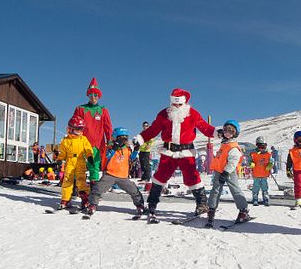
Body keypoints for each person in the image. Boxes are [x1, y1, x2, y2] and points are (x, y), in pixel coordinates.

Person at [135, 88, 217, 221]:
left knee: (192, 177)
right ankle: (152, 203)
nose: (177, 106)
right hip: (169, 151)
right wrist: (140, 139)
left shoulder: (193, 114)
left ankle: (202, 203)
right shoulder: (164, 114)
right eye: (174, 103)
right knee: (160, 176)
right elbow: (153, 130)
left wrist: (217, 132)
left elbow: (204, 127)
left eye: (179, 104)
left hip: (186, 152)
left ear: (184, 102)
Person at [89, 127, 145, 218]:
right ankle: (92, 204)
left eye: (125, 138)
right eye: (121, 138)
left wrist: (136, 149)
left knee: (134, 190)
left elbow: (132, 158)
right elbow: (107, 156)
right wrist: (114, 148)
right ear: (115, 138)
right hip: (109, 175)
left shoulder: (127, 149)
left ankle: (140, 205)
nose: (123, 140)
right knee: (98, 189)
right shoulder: (109, 148)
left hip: (123, 176)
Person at [206, 120, 249, 228]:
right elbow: (218, 135)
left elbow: (233, 161)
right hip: (219, 170)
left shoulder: (233, 147)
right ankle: (211, 209)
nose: (227, 133)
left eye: (231, 131)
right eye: (226, 131)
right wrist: (220, 132)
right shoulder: (225, 143)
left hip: (229, 172)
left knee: (235, 189)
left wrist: (225, 173)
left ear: (235, 133)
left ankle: (243, 210)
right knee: (215, 190)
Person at [73, 78, 112, 184]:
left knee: (94, 166)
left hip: (96, 144)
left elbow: (108, 127)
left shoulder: (103, 110)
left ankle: (93, 190)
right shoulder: (80, 109)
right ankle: (76, 188)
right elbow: (74, 125)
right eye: (91, 95)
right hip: (81, 142)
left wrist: (110, 141)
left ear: (99, 96)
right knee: (78, 165)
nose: (93, 97)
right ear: (88, 96)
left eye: (96, 95)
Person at [56, 115, 99, 212]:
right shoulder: (66, 141)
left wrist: (90, 157)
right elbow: (62, 152)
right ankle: (66, 200)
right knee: (67, 181)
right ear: (71, 128)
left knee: (81, 181)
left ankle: (85, 199)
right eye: (78, 129)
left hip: (80, 162)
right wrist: (59, 159)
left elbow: (88, 149)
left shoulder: (83, 139)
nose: (80, 131)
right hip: (70, 162)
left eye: (81, 129)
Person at [250, 136, 274, 206]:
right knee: (256, 186)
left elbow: (272, 161)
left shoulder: (268, 154)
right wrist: (251, 164)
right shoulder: (254, 154)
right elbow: (250, 160)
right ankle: (255, 199)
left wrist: (270, 165)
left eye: (263, 147)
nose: (261, 149)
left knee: (264, 186)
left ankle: (265, 199)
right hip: (256, 173)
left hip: (264, 174)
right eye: (259, 146)